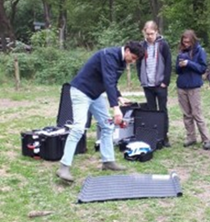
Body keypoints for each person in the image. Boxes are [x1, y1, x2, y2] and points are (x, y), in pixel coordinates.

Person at [56, 41, 145, 183]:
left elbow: (111, 83)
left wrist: (119, 96)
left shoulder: (121, 61)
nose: (133, 62)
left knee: (107, 126)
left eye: (135, 60)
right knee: (79, 128)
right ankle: (64, 167)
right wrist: (116, 108)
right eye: (133, 58)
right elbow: (108, 81)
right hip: (81, 92)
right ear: (127, 50)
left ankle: (108, 161)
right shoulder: (108, 55)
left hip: (95, 95)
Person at [137, 20, 172, 147]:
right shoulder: (142, 46)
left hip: (160, 85)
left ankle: (164, 136)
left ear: (156, 32)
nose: (149, 36)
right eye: (147, 34)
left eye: (151, 34)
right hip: (148, 85)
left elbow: (168, 64)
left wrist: (165, 82)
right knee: (151, 111)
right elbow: (138, 64)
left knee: (162, 110)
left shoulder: (163, 45)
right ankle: (153, 136)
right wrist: (142, 80)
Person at [175, 29, 210, 150]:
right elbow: (177, 71)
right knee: (186, 114)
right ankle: (191, 137)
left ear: (193, 40)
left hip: (194, 86)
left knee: (197, 114)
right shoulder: (181, 51)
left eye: (188, 42)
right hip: (181, 86)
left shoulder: (200, 51)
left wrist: (189, 63)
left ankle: (206, 139)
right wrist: (180, 65)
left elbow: (202, 68)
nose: (186, 44)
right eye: (184, 41)